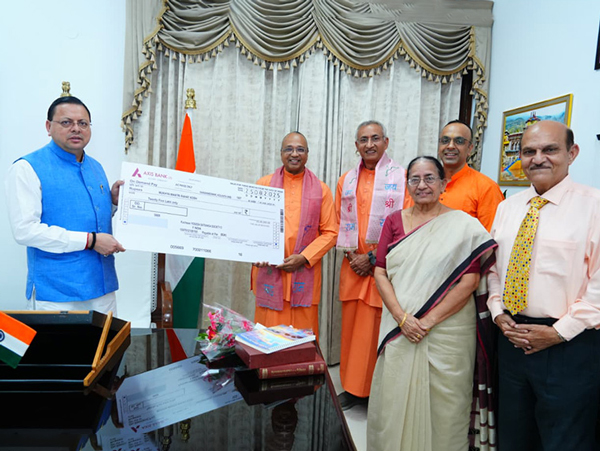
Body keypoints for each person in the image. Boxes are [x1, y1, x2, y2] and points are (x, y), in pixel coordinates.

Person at [367, 156, 497, 451]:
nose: (422, 185)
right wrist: (402, 318)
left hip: (448, 331)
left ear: (443, 184)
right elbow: (380, 272)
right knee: (395, 394)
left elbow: (469, 281)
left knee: (447, 403)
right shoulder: (394, 221)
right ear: (407, 185)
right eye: (415, 179)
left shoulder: (464, 226)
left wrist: (426, 322)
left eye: (429, 178)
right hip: (400, 327)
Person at [487, 120, 600, 450]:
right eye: (529, 151)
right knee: (514, 435)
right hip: (511, 339)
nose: (538, 158)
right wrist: (497, 312)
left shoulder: (594, 206)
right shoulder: (507, 208)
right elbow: (493, 268)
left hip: (569, 345)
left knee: (565, 439)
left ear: (572, 153)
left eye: (550, 149)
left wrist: (558, 332)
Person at [6, 96, 125, 314]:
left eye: (83, 123)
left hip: (102, 287)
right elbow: (25, 231)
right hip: (56, 292)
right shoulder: (26, 168)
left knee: (108, 338)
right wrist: (90, 241)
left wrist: (113, 203)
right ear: (48, 126)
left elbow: (85, 216)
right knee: (58, 340)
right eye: (66, 122)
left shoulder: (95, 167)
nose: (76, 129)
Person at [335, 120, 406, 410]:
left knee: (377, 332)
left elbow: (406, 223)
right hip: (353, 266)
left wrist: (374, 258)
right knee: (352, 331)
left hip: (384, 268)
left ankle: (374, 392)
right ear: (356, 146)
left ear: (386, 142)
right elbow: (338, 224)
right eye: (363, 139)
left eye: (375, 138)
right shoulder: (346, 180)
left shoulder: (401, 177)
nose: (369, 144)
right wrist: (353, 257)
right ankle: (352, 389)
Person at [251, 132, 337, 340]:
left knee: (301, 342)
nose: (294, 154)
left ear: (307, 154)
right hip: (270, 272)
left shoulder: (321, 190)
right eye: (289, 149)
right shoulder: (263, 185)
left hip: (303, 274)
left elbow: (331, 232)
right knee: (268, 341)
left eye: (300, 149)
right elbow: (251, 226)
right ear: (281, 153)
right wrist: (256, 252)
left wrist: (303, 258)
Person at [404, 120, 503, 231]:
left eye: (459, 141)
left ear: (470, 148)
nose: (450, 146)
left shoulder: (486, 188)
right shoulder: (418, 183)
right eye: (445, 141)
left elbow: (489, 237)